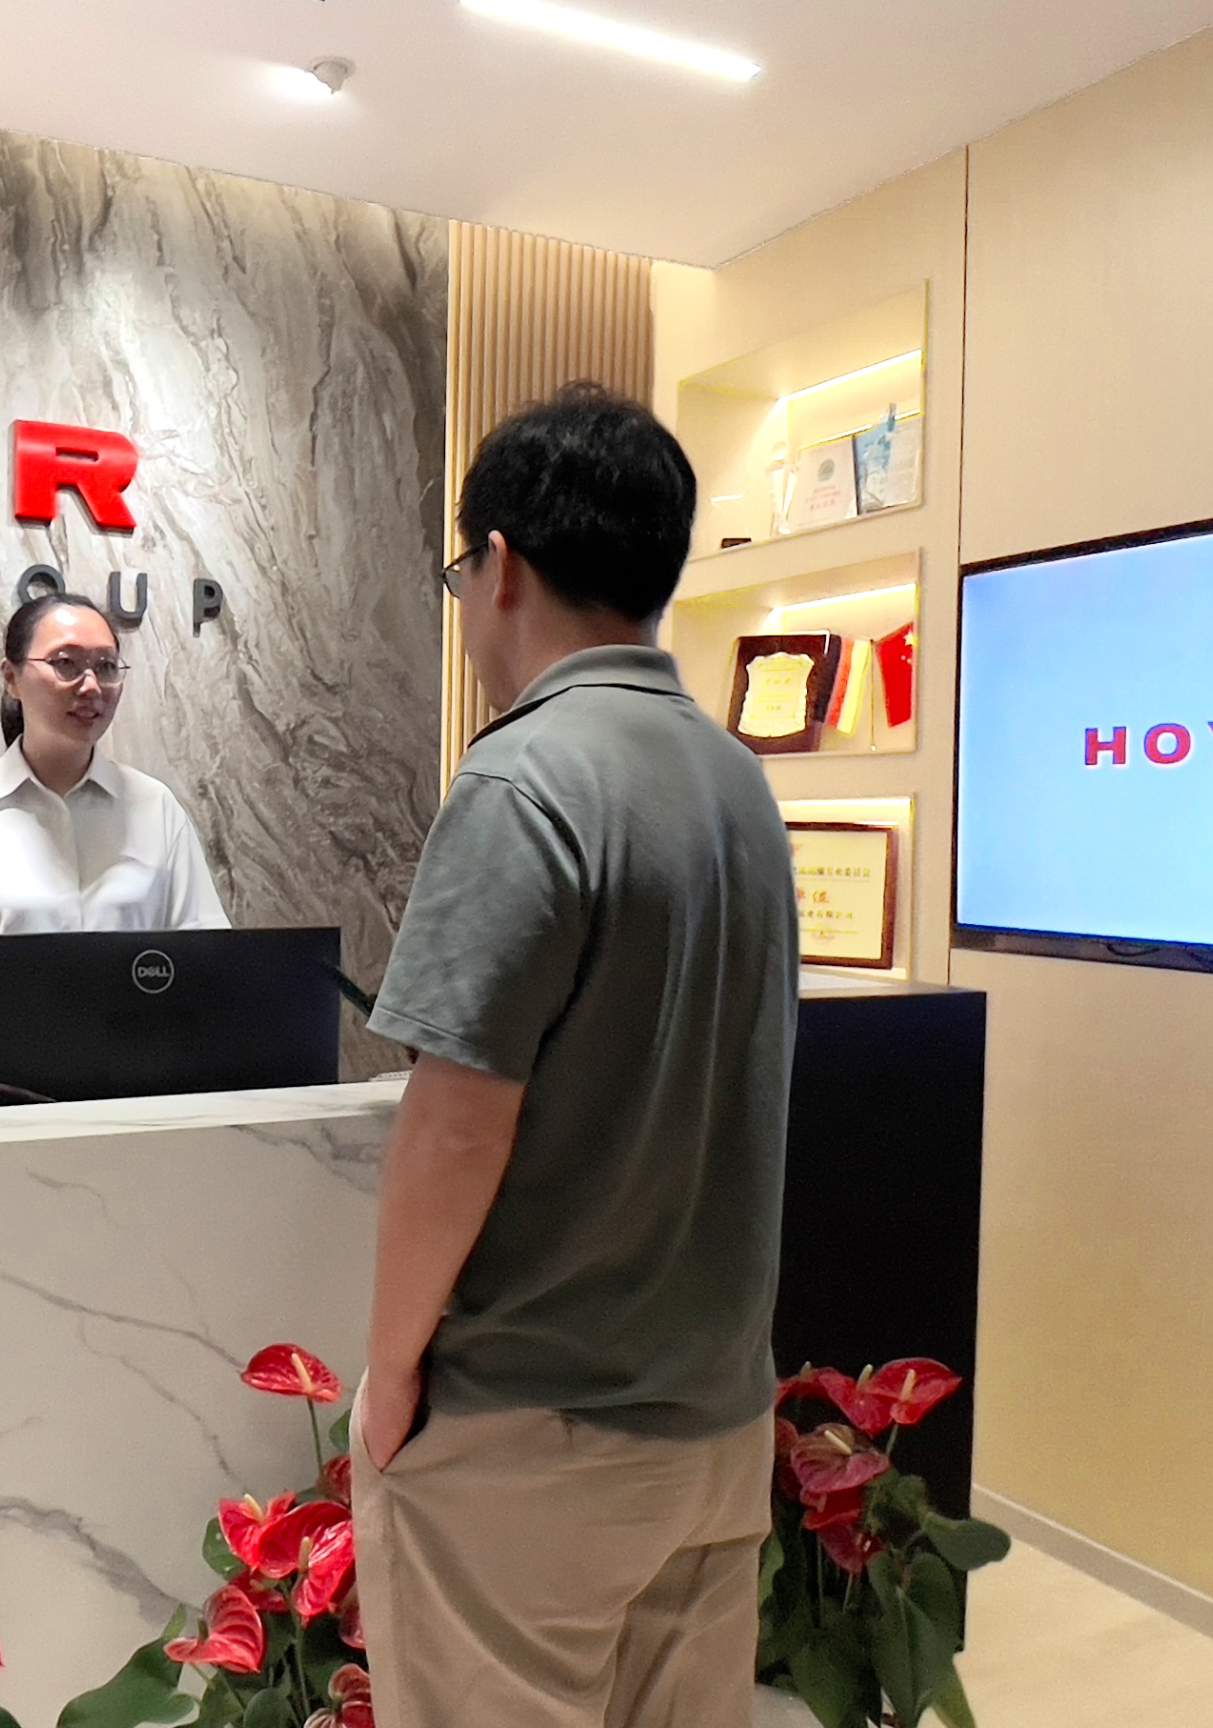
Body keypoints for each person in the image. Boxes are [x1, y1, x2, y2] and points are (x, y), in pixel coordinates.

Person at [353, 384, 799, 1728]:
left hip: (532, 1441)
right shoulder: (738, 782)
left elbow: (452, 1129)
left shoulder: (520, 784)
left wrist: (389, 1376)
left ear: (499, 565)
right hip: (716, 1427)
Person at [0, 593, 227, 1027]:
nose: (91, 686)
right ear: (12, 678)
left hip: (137, 1084)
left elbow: (204, 954)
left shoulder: (156, 808)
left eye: (106, 666)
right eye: (66, 663)